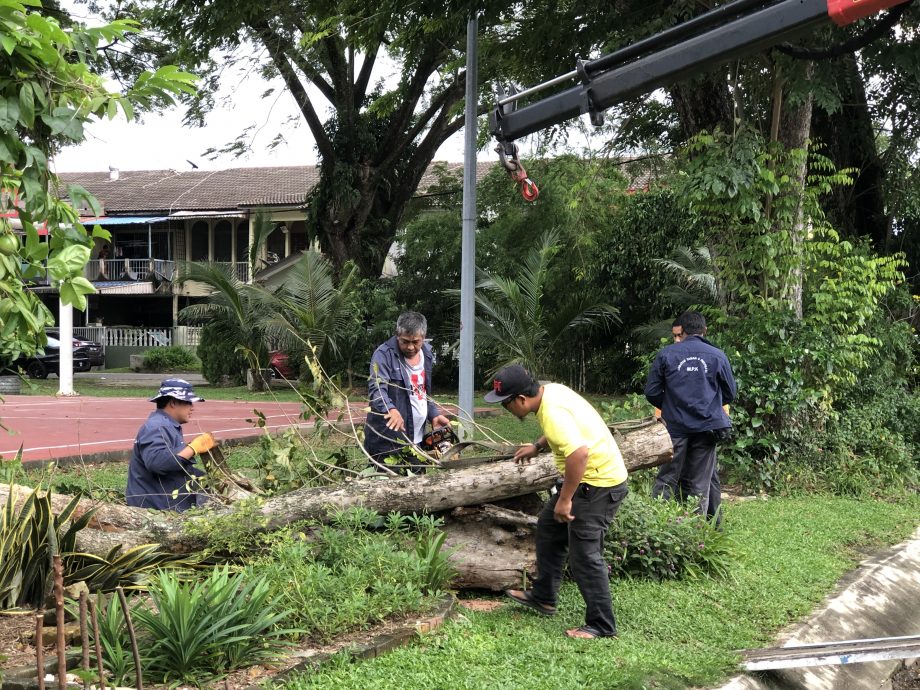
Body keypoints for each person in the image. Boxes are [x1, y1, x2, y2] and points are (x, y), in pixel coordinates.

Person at [487, 364, 628, 640]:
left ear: (521, 400)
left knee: (585, 555)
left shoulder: (551, 413)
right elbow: (563, 431)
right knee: (550, 528)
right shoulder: (550, 392)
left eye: (506, 405)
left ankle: (601, 625)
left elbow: (579, 454)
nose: (507, 410)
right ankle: (544, 597)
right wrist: (538, 446)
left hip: (597, 485)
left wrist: (565, 499)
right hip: (591, 481)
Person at [644, 310, 736, 518]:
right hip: (706, 428)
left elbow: (651, 392)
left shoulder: (667, 354)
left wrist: (670, 406)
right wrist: (707, 404)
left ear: (682, 331)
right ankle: (695, 536)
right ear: (704, 331)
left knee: (666, 479)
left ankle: (658, 525)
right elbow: (730, 393)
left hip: (674, 427)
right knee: (699, 485)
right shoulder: (718, 355)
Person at [363, 311, 450, 473]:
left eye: (415, 342)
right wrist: (391, 409)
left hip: (416, 440)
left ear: (423, 337)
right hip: (387, 442)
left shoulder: (427, 354)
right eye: (405, 342)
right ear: (397, 335)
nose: (410, 347)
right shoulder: (383, 355)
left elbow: (423, 391)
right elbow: (376, 389)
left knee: (416, 489)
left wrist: (433, 414)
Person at [126, 378, 216, 511]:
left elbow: (174, 464)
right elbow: (157, 463)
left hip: (164, 503)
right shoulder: (157, 427)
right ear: (173, 402)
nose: (192, 407)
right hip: (154, 509)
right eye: (188, 402)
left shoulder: (168, 425)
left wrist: (208, 480)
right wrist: (192, 448)